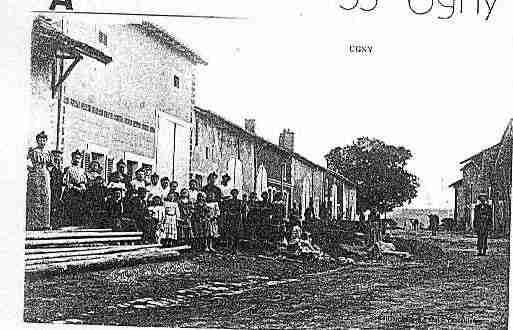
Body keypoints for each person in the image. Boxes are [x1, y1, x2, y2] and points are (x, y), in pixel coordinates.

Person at [26, 131, 53, 231]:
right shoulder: (33, 151)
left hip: (45, 175)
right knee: (35, 197)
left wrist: (47, 170)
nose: (42, 141)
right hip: (35, 175)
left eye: (44, 139)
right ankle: (34, 223)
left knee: (45, 197)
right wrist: (31, 168)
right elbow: (26, 162)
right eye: (40, 139)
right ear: (37, 140)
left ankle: (45, 223)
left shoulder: (48, 153)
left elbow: (51, 164)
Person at [62, 150, 88, 227]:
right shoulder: (69, 169)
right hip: (71, 191)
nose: (77, 160)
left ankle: (78, 223)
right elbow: (66, 181)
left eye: (79, 158)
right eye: (75, 158)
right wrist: (75, 187)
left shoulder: (82, 170)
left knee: (80, 208)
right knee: (70, 207)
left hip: (80, 191)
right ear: (72, 159)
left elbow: (84, 181)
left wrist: (82, 187)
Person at [49, 150, 64, 229]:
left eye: (59, 158)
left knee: (57, 205)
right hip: (51, 189)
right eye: (56, 158)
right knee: (51, 206)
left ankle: (56, 224)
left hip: (58, 190)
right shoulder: (50, 168)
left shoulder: (60, 170)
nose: (57, 160)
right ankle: (50, 223)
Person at [225, 189, 243, 253]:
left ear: (237, 194)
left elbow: (240, 210)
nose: (234, 194)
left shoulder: (239, 201)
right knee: (230, 233)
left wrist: (235, 213)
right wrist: (230, 214)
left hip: (237, 219)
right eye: (233, 193)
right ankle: (230, 248)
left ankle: (236, 248)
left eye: (236, 193)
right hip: (231, 219)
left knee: (237, 234)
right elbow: (227, 209)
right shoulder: (229, 201)